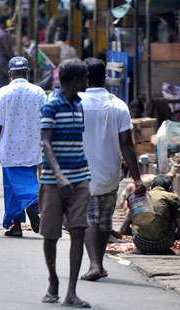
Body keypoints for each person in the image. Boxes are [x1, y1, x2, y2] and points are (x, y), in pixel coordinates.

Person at [79, 58, 144, 282]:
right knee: (104, 219)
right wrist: (137, 178)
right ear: (104, 77)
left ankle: (95, 264)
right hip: (110, 172)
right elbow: (127, 144)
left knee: (88, 218)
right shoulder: (118, 105)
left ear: (84, 78)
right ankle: (99, 264)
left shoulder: (75, 103)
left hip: (81, 171)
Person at [39, 59, 91, 308]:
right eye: (84, 77)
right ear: (74, 79)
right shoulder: (51, 105)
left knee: (79, 231)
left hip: (80, 178)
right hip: (54, 181)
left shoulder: (80, 105)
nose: (87, 81)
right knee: (50, 236)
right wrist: (59, 176)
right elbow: (46, 143)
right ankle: (53, 281)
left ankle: (71, 292)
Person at [0, 57, 46, 237]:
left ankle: (26, 213)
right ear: (27, 73)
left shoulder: (3, 93)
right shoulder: (39, 92)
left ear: (10, 73)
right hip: (32, 147)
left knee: (12, 187)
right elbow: (47, 120)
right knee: (24, 181)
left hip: (9, 148)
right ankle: (21, 220)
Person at [120, 175, 180, 255]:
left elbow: (123, 229)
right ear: (170, 189)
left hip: (140, 243)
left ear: (151, 187)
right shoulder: (173, 197)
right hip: (164, 244)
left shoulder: (140, 197)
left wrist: (139, 233)